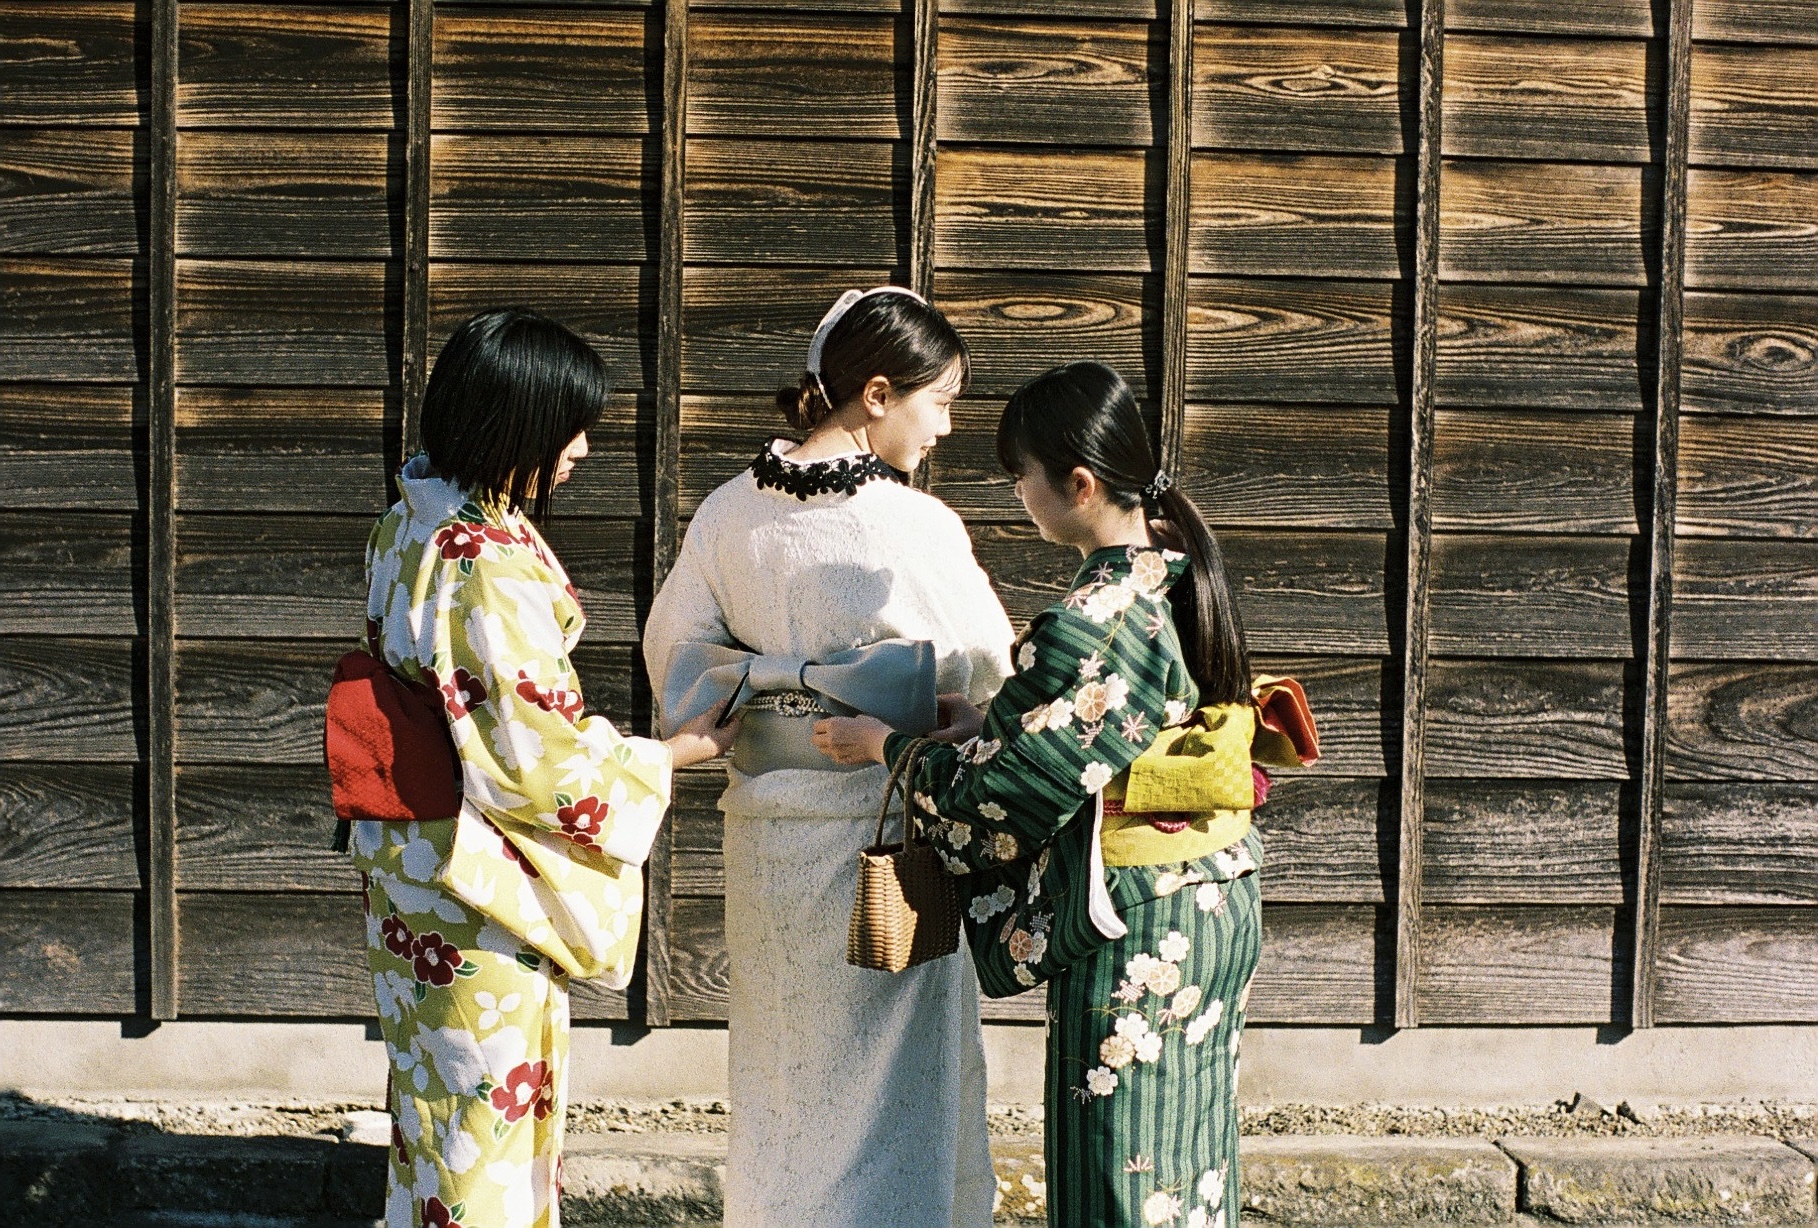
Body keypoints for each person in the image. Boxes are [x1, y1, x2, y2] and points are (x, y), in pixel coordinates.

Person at [815, 360, 1266, 1228]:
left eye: (1021, 475)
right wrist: (981, 719)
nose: (1018, 493)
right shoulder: (1172, 572)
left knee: (1121, 1178)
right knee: (1188, 1164)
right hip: (1211, 896)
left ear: (1080, 483)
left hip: (1143, 918)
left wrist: (890, 749)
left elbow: (1010, 792)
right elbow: (1090, 732)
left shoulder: (1094, 614)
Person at [349, 308, 735, 1228]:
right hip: (473, 880)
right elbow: (534, 759)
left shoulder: (413, 518)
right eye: (568, 427)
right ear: (509, 423)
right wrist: (671, 753)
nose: (584, 449)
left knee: (439, 1110)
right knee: (485, 1120)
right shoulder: (481, 559)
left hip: (413, 862)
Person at [642, 286, 1013, 1228]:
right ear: (878, 394)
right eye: (941, 400)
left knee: (782, 1076)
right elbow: (988, 664)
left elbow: (673, 656)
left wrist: (767, 679)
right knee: (894, 1081)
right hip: (883, 829)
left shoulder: (727, 514)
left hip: (766, 825)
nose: (948, 425)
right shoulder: (911, 526)